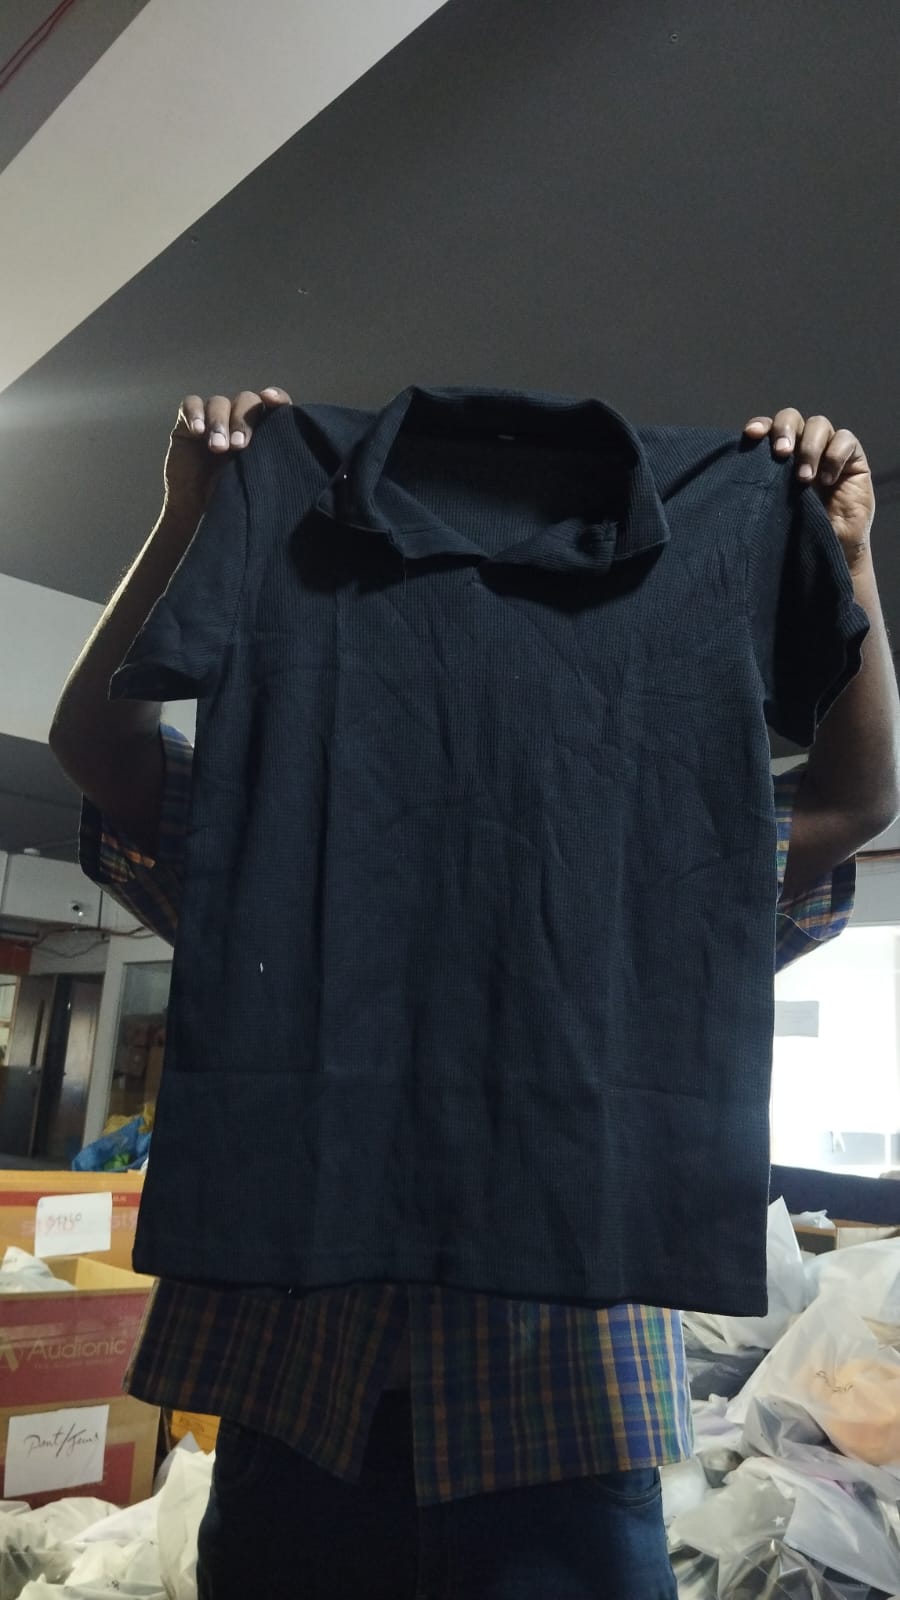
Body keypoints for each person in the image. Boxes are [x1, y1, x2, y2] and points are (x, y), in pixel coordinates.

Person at [50, 390, 899, 1600]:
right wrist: (191, 517)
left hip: (561, 1436)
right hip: (305, 1420)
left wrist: (848, 559)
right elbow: (97, 747)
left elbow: (857, 801)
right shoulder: (294, 834)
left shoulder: (638, 868)